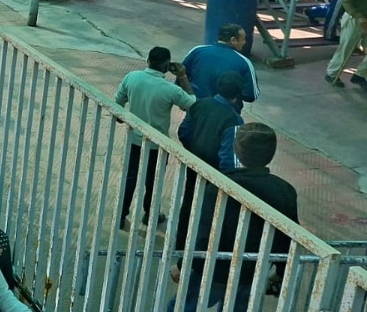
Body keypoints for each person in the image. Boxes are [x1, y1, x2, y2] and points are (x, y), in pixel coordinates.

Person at [171, 124, 298, 312]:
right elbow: (287, 239)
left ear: (237, 151)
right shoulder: (285, 191)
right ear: (271, 153)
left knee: (182, 307)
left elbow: (202, 235)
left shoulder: (219, 188)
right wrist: (280, 272)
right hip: (252, 272)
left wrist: (184, 265)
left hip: (214, 271)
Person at [114, 46, 195, 228]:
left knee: (130, 177)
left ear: (148, 61)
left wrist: (120, 118)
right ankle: (150, 215)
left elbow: (117, 104)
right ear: (167, 66)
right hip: (157, 144)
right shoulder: (170, 89)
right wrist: (182, 77)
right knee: (154, 181)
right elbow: (193, 105)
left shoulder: (132, 77)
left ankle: (121, 216)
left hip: (134, 139)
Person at [181, 24, 259, 103]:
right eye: (243, 39)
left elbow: (181, 74)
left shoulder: (197, 51)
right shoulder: (244, 62)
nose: (244, 42)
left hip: (195, 109)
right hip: (225, 112)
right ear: (233, 40)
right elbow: (251, 95)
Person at [324, 0, 367, 88]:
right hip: (354, 18)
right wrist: (359, 16)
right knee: (346, 48)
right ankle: (332, 73)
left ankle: (361, 75)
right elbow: (347, 2)